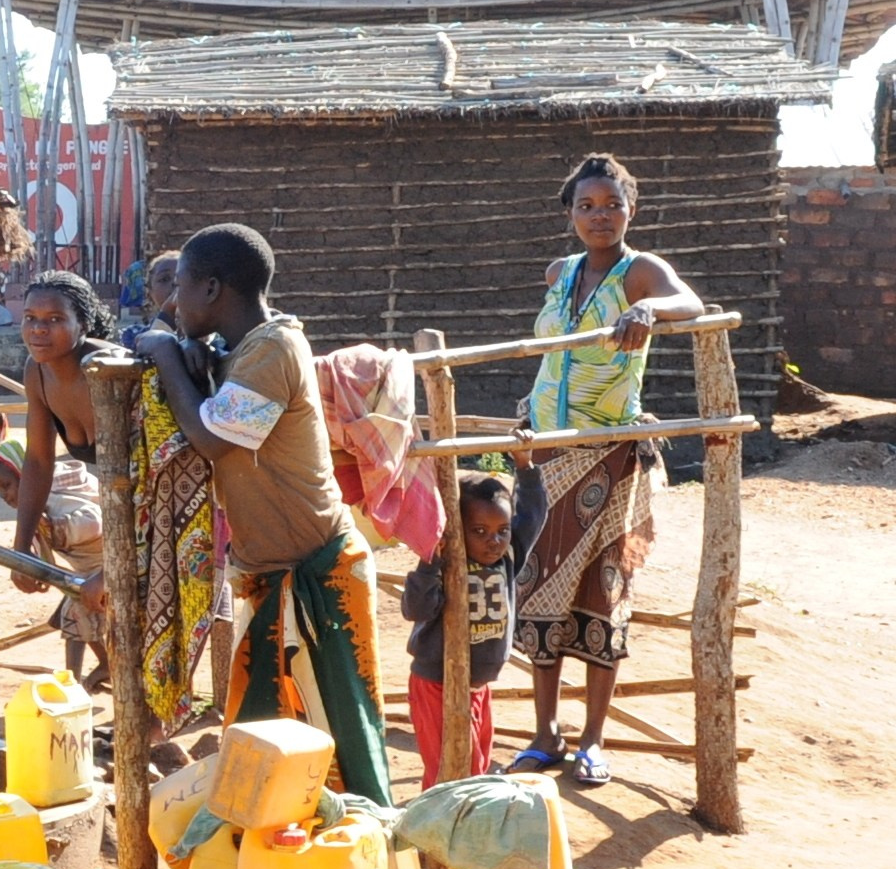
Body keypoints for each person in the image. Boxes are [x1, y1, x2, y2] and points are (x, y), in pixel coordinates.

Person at [141, 223, 394, 806]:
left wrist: (164, 356)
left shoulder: (272, 350)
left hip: (317, 573)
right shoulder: (241, 348)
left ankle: (363, 868)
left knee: (342, 740)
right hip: (270, 574)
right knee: (269, 744)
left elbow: (212, 438)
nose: (171, 302)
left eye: (178, 286)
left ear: (211, 288)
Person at [508, 153, 703, 787]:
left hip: (606, 457)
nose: (600, 215)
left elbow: (691, 302)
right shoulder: (558, 272)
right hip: (546, 455)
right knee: (538, 592)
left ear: (631, 210)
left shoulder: (638, 272)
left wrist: (649, 311)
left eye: (611, 204)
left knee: (601, 593)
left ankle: (593, 739)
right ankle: (545, 734)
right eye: (586, 206)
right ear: (569, 214)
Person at [18, 271, 211, 750]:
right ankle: (139, 726)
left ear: (83, 324)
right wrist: (22, 544)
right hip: (126, 502)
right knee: (121, 619)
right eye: (30, 319)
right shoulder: (36, 371)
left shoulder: (108, 369)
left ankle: (154, 730)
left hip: (172, 497)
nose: (38, 330)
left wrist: (113, 568)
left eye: (54, 319)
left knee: (152, 612)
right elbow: (39, 460)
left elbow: (153, 470)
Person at [401, 456, 545, 788]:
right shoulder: (446, 561)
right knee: (449, 770)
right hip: (439, 682)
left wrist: (526, 469)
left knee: (476, 763)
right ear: (456, 530)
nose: (493, 541)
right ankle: (439, 834)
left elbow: (532, 517)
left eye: (502, 531)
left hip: (478, 685)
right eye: (479, 531)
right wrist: (428, 564)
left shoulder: (508, 558)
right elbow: (416, 609)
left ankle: (466, 830)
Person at [0, 420, 108, 683]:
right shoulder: (34, 513)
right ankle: (91, 671)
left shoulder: (56, 498)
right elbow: (39, 547)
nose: (4, 496)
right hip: (86, 572)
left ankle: (73, 683)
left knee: (75, 613)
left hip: (109, 567)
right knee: (73, 615)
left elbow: (94, 523)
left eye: (6, 485)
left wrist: (59, 529)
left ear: (26, 476)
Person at [118, 250, 179, 350]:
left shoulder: (207, 333)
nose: (175, 283)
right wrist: (167, 314)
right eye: (164, 279)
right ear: (150, 293)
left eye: (181, 277)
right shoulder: (133, 335)